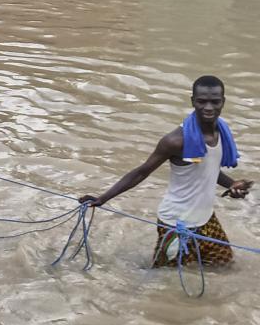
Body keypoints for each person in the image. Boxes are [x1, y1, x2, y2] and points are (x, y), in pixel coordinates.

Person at [79, 76, 252, 267]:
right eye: (202, 101)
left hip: (206, 219)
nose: (209, 107)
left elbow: (206, 169)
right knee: (163, 277)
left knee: (225, 266)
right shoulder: (176, 141)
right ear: (193, 101)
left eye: (215, 102)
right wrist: (103, 198)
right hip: (177, 224)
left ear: (223, 102)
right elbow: (142, 172)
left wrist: (232, 184)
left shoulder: (222, 131)